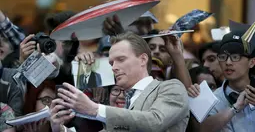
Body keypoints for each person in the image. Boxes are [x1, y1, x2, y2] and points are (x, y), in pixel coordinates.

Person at [53, 31, 189, 132]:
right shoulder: (120, 105)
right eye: (111, 62)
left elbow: (155, 121)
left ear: (143, 59)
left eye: (121, 59)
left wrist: (94, 109)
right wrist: (59, 128)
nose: (114, 67)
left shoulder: (172, 88)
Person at [199, 30, 255, 132]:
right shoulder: (212, 99)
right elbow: (202, 129)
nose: (228, 62)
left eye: (235, 57)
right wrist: (235, 108)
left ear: (252, 62)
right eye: (223, 57)